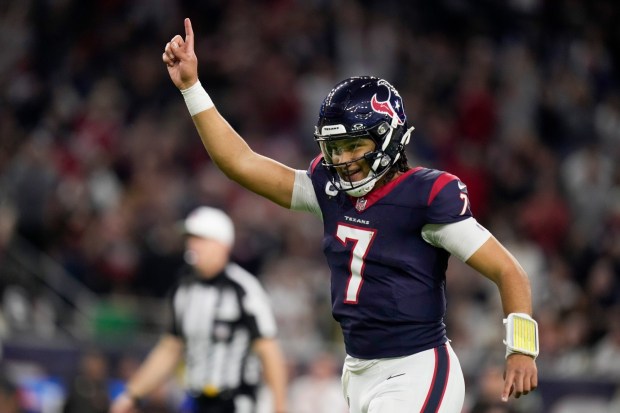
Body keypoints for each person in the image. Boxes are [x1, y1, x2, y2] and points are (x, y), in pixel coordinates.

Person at [161, 18, 539, 413]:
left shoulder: (426, 195)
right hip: (356, 371)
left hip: (415, 370)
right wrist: (191, 88)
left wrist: (521, 349)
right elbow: (240, 162)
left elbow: (509, 271)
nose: (342, 159)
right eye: (335, 146)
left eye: (354, 144)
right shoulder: (330, 189)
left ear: (388, 137)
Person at [109, 206, 288, 413]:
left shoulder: (244, 289)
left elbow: (269, 350)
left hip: (239, 402)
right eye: (190, 239)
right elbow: (171, 347)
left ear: (221, 244)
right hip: (198, 402)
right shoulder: (183, 289)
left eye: (200, 239)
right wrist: (132, 394)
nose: (192, 245)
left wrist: (280, 407)